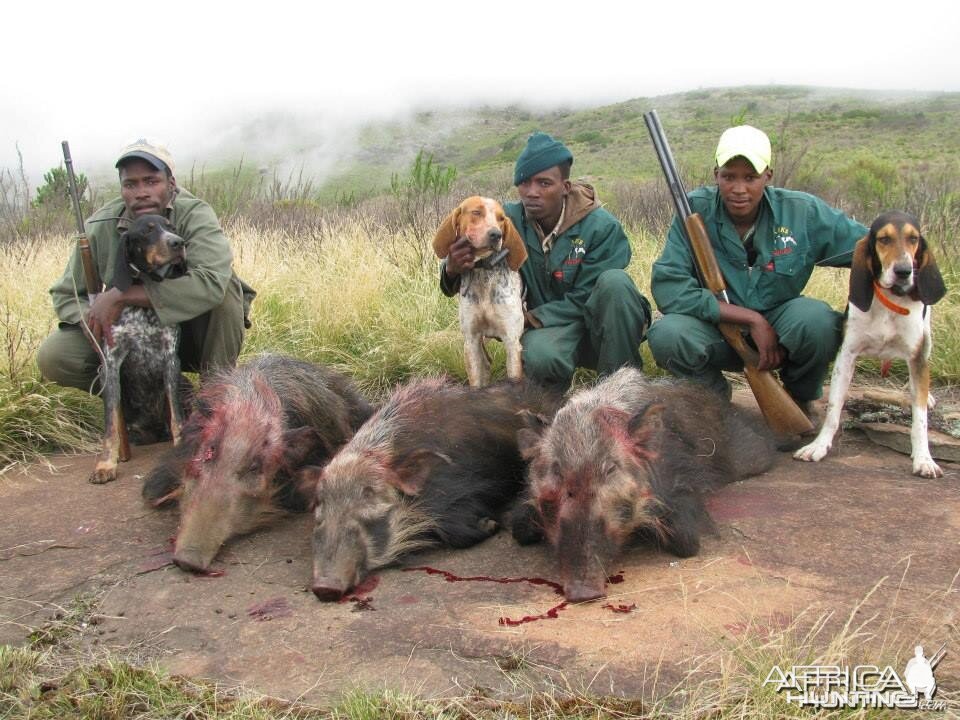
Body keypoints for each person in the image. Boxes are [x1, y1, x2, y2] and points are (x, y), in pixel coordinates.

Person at [647, 124, 868, 417]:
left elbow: (870, 248)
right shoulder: (693, 210)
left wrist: (907, 256)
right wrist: (749, 319)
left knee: (818, 321)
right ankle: (712, 407)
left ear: (768, 176)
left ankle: (798, 401)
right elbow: (669, 287)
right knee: (667, 334)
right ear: (716, 175)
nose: (739, 189)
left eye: (750, 178)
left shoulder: (801, 211)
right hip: (718, 331)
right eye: (729, 177)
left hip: (780, 331)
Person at [38, 139, 255, 399]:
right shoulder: (98, 226)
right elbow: (66, 293)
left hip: (191, 334)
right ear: (122, 189)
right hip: (129, 337)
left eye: (151, 181)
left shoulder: (195, 214)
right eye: (131, 184)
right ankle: (150, 396)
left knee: (226, 289)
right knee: (54, 356)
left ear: (171, 184)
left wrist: (121, 295)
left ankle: (215, 400)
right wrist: (91, 317)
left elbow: (210, 282)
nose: (141, 192)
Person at [440, 131, 651, 390]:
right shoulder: (507, 221)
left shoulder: (601, 227)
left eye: (544, 183)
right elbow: (472, 259)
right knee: (538, 355)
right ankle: (547, 409)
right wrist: (452, 267)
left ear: (565, 187)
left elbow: (588, 295)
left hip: (600, 330)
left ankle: (620, 393)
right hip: (551, 335)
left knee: (616, 283)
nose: (531, 193)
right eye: (524, 183)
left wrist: (530, 318)